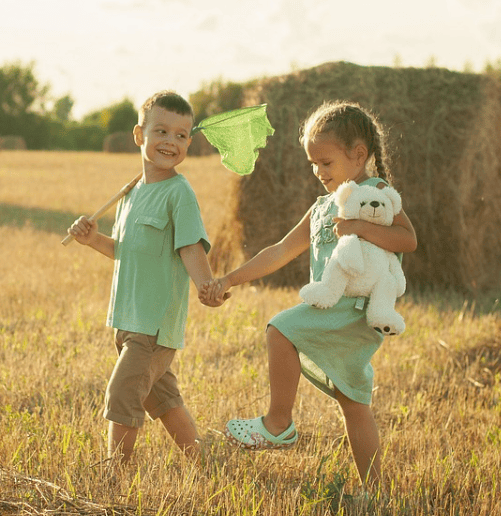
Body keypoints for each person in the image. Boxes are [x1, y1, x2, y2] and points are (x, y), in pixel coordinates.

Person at [200, 100, 417, 491]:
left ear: (358, 155)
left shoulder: (375, 191)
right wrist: (230, 279)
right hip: (336, 309)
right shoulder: (321, 208)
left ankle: (278, 424)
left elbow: (408, 239)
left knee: (280, 329)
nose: (318, 172)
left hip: (354, 310)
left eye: (326, 162)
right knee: (354, 405)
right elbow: (280, 251)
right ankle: (376, 493)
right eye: (312, 164)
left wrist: (357, 227)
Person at [68, 91, 225, 465]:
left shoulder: (179, 194)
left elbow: (190, 247)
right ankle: (201, 460)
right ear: (139, 135)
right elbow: (124, 250)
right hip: (126, 318)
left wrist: (208, 285)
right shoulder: (130, 193)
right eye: (162, 131)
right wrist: (93, 240)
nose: (171, 142)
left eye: (181, 135)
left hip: (154, 324)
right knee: (161, 397)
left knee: (123, 392)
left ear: (189, 142)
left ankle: (114, 474)